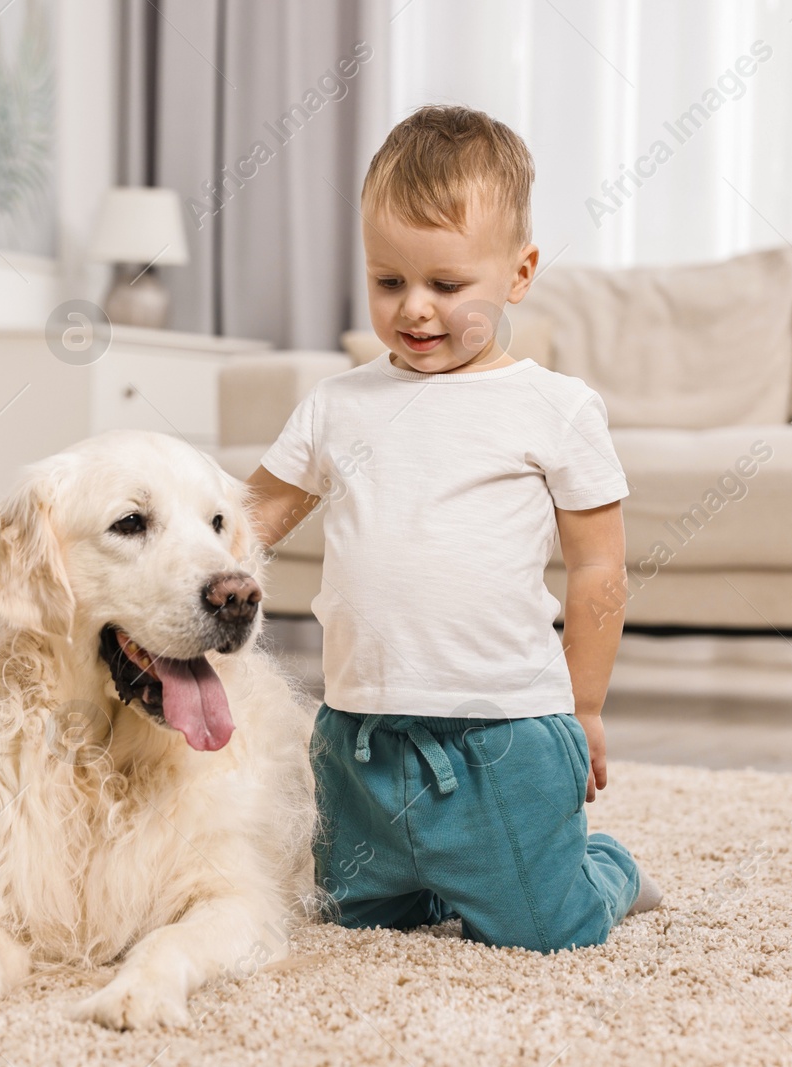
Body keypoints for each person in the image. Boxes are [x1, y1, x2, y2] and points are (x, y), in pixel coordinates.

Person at [244, 104, 661, 954]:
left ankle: (603, 868)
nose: (416, 310)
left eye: (446, 284)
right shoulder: (337, 404)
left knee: (546, 928)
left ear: (520, 272)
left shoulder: (555, 407)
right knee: (352, 914)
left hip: (501, 734)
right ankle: (426, 868)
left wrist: (584, 706)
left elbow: (598, 570)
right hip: (358, 737)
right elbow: (249, 520)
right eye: (389, 281)